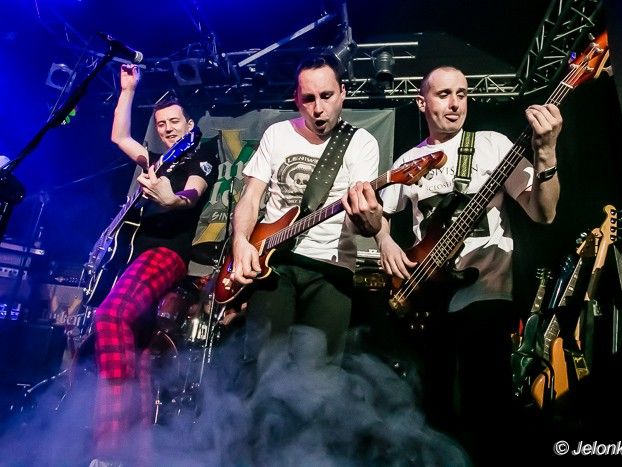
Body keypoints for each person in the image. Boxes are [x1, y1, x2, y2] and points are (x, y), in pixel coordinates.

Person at [374, 65, 562, 464]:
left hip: (487, 291)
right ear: (421, 102)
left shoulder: (493, 145)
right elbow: (381, 217)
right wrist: (385, 241)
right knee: (434, 405)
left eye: (462, 93)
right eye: (444, 94)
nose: (455, 103)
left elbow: (543, 212)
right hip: (428, 297)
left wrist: (546, 153)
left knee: (486, 402)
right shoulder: (409, 161)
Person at [91, 64, 219, 466]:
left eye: (174, 122)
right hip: (136, 257)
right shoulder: (157, 161)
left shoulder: (200, 155)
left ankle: (110, 447)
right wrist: (128, 89)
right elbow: (119, 137)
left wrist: (170, 198)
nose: (166, 129)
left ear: (190, 124)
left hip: (167, 255)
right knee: (140, 354)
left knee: (111, 316)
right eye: (161, 124)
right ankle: (139, 454)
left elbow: (192, 194)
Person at [228, 53, 382, 376]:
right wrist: (240, 241)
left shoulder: (361, 144)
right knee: (262, 369)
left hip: (331, 270)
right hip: (274, 264)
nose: (318, 108)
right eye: (309, 99)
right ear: (296, 99)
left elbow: (366, 225)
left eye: (327, 96)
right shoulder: (277, 134)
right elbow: (251, 197)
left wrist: (369, 219)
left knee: (316, 378)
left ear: (343, 92)